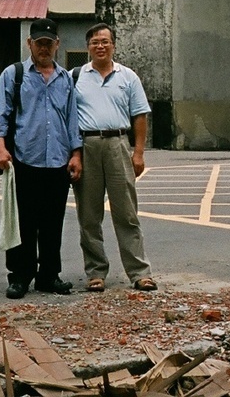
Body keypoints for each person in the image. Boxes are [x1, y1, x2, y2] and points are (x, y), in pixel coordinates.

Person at [0, 18, 82, 299]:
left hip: (57, 161)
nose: (44, 48)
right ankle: (20, 276)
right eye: (39, 43)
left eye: (48, 43)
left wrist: (76, 154)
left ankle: (48, 276)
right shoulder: (14, 74)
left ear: (57, 45)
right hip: (24, 159)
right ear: (29, 43)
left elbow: (72, 119)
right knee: (24, 222)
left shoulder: (65, 79)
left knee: (53, 222)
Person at [71, 22, 156, 292]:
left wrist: (138, 152)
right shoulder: (75, 77)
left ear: (113, 45)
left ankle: (139, 272)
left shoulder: (128, 77)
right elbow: (68, 118)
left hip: (118, 143)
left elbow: (139, 115)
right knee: (89, 215)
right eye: (95, 42)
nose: (100, 46)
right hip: (87, 145)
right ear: (88, 47)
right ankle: (96, 272)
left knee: (126, 213)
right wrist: (74, 154)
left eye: (105, 41)